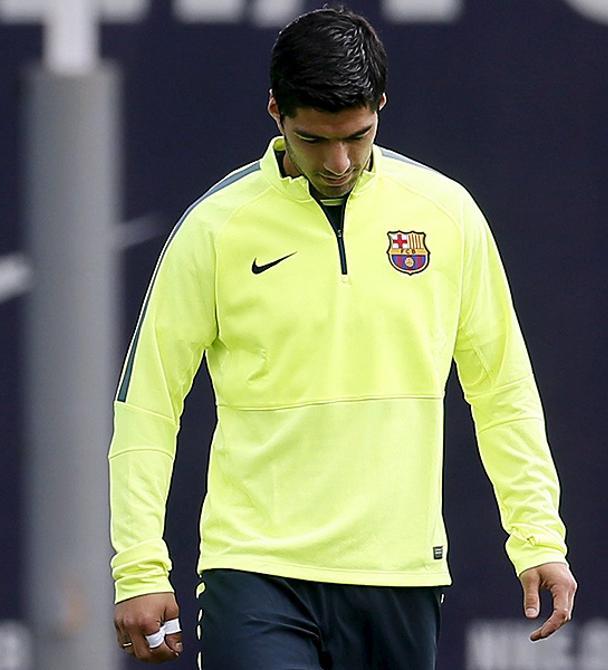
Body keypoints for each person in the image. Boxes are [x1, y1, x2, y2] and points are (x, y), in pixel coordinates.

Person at [108, 7, 576, 668]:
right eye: (313, 139)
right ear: (275, 112)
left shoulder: (447, 215)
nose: (337, 161)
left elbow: (502, 389)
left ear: (381, 106)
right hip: (255, 570)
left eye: (357, 136)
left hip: (400, 573)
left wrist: (537, 538)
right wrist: (139, 565)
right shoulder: (213, 229)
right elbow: (148, 405)